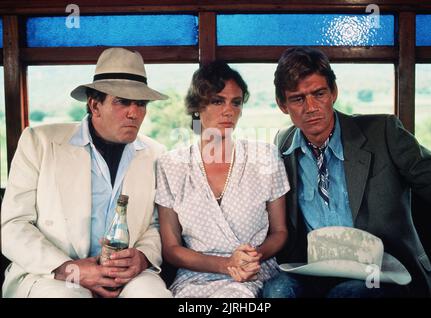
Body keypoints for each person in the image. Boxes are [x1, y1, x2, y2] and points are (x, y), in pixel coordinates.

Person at [263, 47, 431, 298]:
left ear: (334, 93)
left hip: (384, 271)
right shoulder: (282, 146)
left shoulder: (383, 132)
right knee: (277, 291)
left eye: (319, 94)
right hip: (313, 270)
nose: (311, 107)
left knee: (347, 294)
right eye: (298, 98)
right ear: (282, 105)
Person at [1, 47, 173, 298]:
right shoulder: (40, 143)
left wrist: (143, 257)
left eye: (141, 103)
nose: (134, 113)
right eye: (122, 101)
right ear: (94, 105)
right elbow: (13, 225)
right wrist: (67, 268)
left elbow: (156, 224)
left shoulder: (155, 153)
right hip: (50, 272)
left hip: (126, 276)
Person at [155, 61, 290, 298]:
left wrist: (251, 258)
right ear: (197, 107)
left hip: (253, 275)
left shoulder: (265, 157)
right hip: (194, 279)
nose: (229, 111)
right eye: (218, 101)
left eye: (235, 102)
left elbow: (280, 232)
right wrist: (225, 264)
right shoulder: (172, 165)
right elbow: (172, 249)